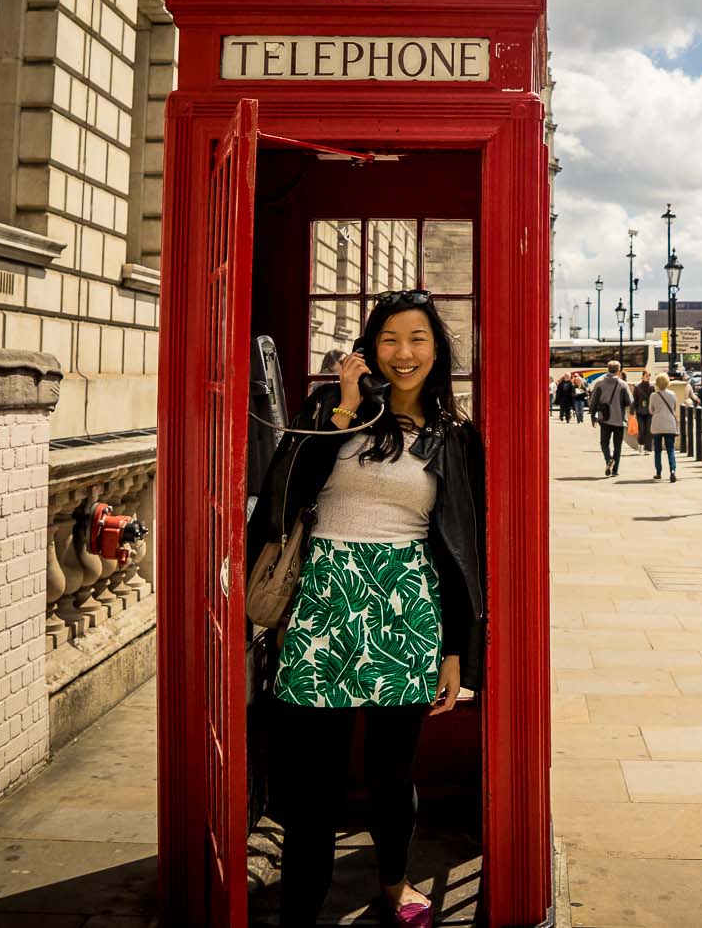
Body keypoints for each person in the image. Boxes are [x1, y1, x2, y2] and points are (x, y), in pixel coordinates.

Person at [247, 291, 484, 928]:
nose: (404, 354)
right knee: (313, 784)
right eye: (389, 340)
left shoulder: (453, 438)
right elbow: (282, 494)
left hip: (406, 610)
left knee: (390, 774)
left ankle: (393, 883)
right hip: (322, 603)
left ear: (437, 352)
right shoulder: (332, 409)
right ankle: (302, 906)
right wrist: (346, 410)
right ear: (369, 349)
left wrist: (457, 651)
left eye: (417, 340)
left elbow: (465, 549)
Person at [590, 361, 630, 475]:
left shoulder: (599, 384)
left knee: (604, 443)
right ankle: (615, 470)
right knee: (617, 445)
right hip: (619, 419)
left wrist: (593, 417)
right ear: (618, 370)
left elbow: (593, 402)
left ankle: (608, 459)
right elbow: (629, 401)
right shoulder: (623, 385)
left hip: (604, 418)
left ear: (607, 369)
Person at [646, 372, 682, 481]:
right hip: (669, 424)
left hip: (657, 424)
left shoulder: (653, 395)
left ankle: (658, 472)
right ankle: (672, 471)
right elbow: (675, 408)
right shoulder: (672, 394)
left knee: (657, 450)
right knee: (670, 449)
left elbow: (650, 410)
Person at [633, 373, 655, 450]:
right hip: (640, 411)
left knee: (649, 429)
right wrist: (633, 411)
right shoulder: (637, 387)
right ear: (642, 376)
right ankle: (641, 444)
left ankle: (648, 448)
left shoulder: (652, 387)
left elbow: (653, 399)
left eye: (649, 376)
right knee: (641, 429)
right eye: (646, 376)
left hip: (649, 411)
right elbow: (634, 399)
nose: (648, 377)